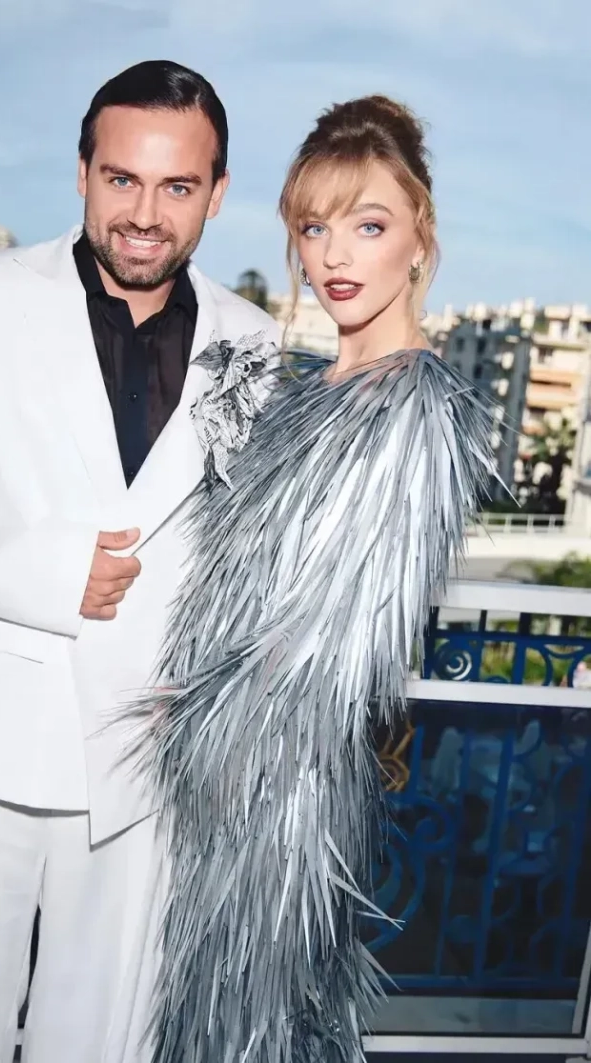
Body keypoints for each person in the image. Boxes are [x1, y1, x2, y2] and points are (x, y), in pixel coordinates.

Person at [0, 60, 280, 1063]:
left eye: (177, 186)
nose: (145, 214)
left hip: (150, 749)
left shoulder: (255, 341)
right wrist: (51, 574)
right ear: (82, 172)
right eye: (121, 178)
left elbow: (243, 542)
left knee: (104, 1039)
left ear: (217, 194)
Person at [136, 96, 497, 1062]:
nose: (335, 256)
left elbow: (338, 645)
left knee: (250, 1025)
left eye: (368, 226)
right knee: (214, 1016)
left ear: (419, 238)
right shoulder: (304, 393)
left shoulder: (415, 410)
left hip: (283, 783)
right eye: (313, 228)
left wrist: (201, 715)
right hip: (222, 769)